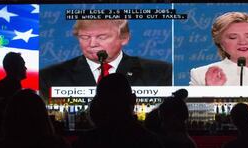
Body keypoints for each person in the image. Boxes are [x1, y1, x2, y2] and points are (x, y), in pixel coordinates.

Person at [39, 19, 172, 99]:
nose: (92, 44)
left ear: (124, 38)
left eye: (102, 37)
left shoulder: (159, 72)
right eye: (85, 37)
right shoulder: (50, 76)